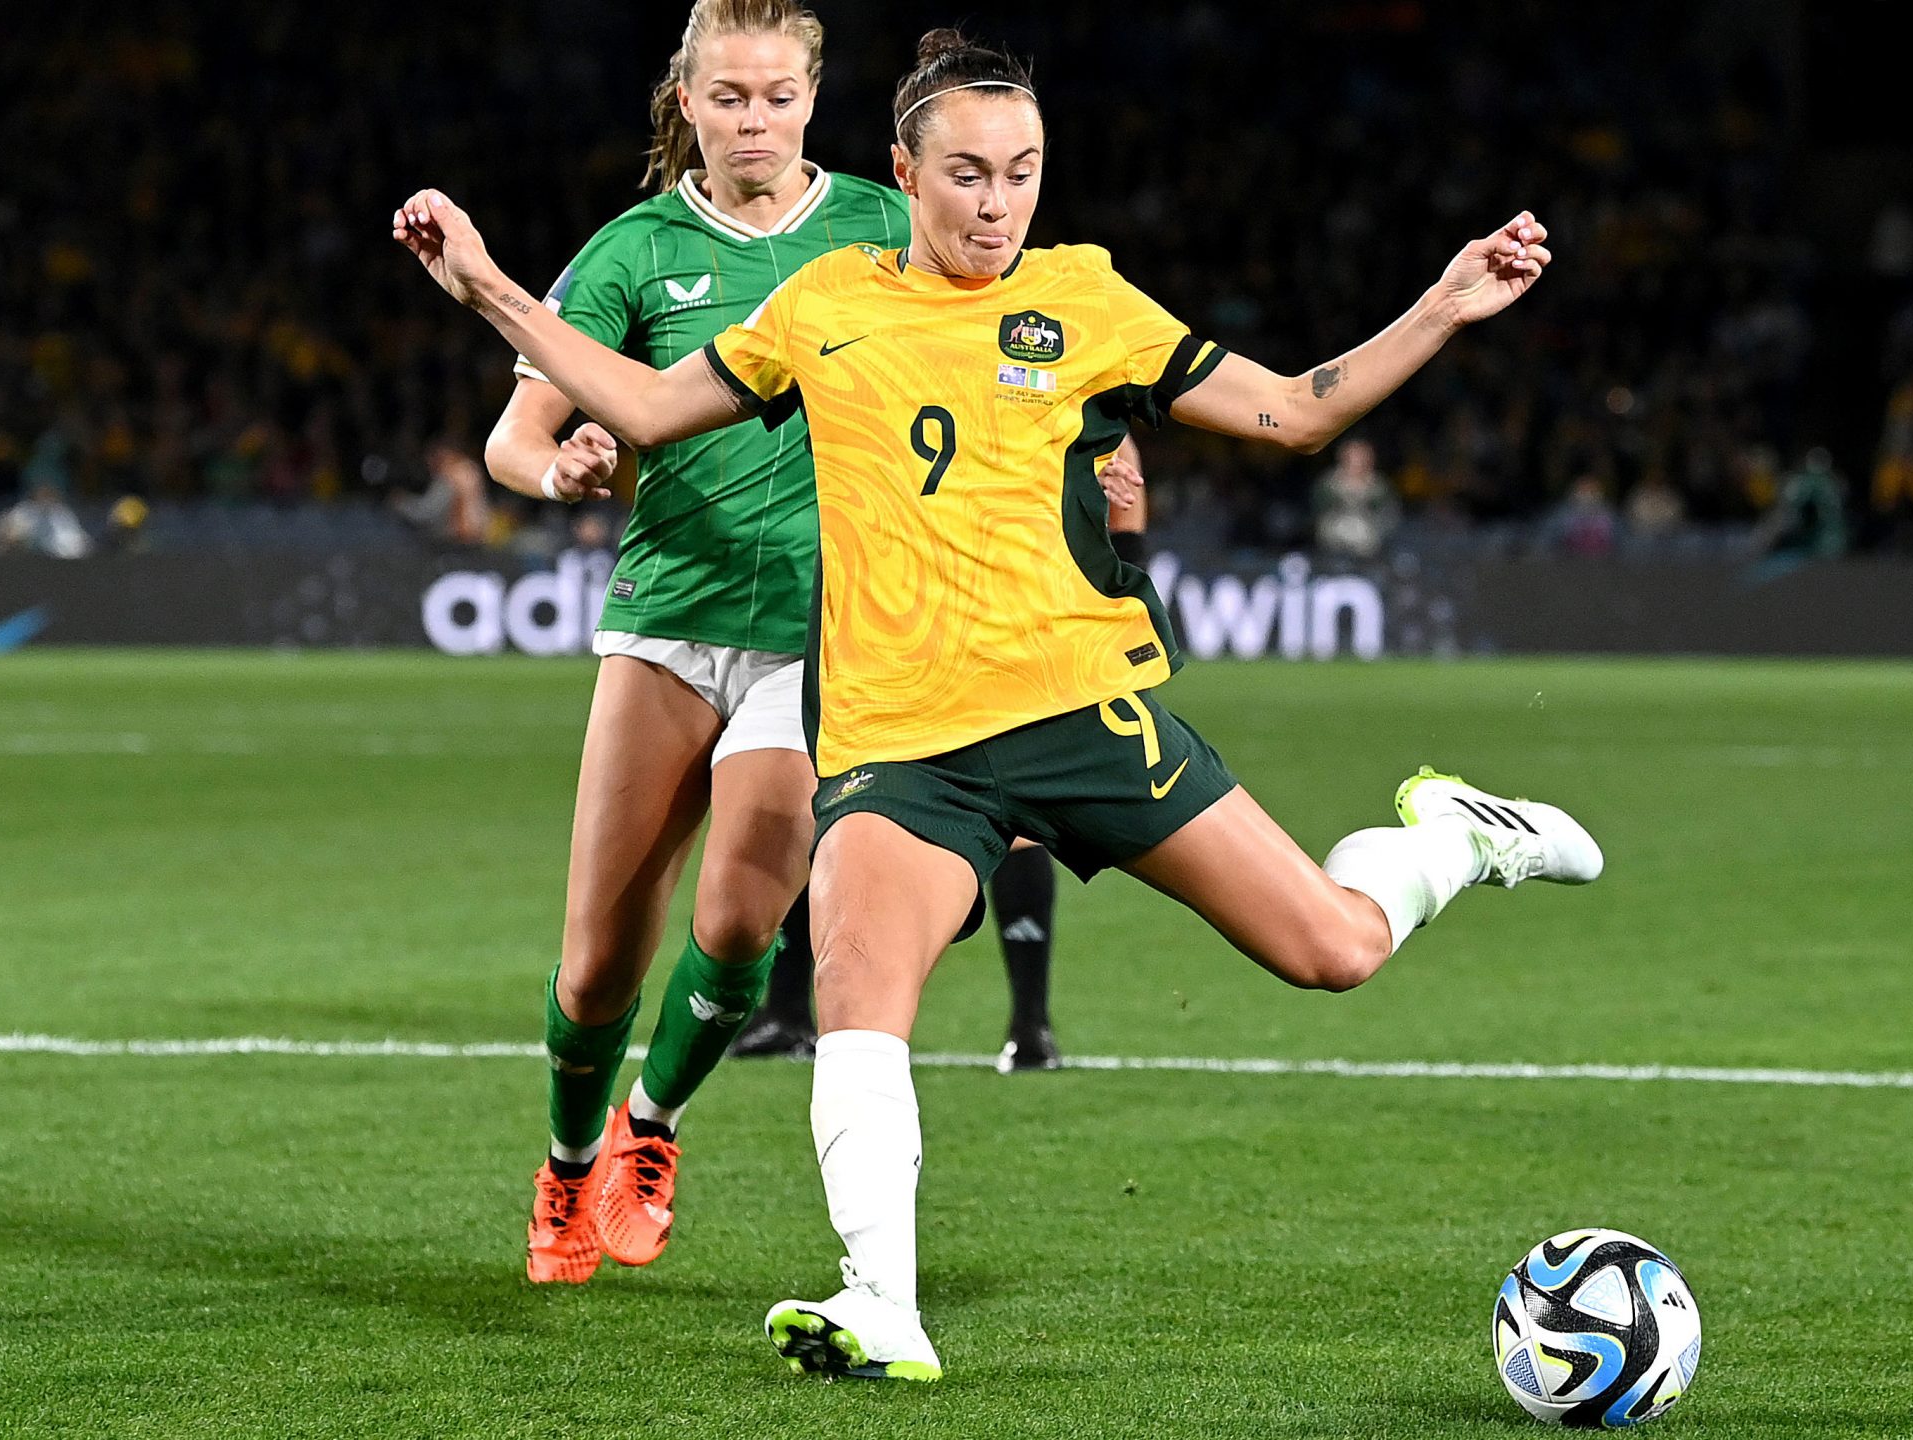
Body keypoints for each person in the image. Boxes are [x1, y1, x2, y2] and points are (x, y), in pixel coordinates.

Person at [393, 28, 1598, 1381]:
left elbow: (1291, 415)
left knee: (1332, 948)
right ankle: (880, 1306)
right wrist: (489, 286)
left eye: (1021, 174)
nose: (995, 204)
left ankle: (1456, 834)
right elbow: (644, 406)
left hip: (1082, 711)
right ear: (903, 171)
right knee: (857, 991)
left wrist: (1440, 306)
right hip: (903, 749)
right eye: (966, 174)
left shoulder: (1085, 297)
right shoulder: (826, 302)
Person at [475, 0, 914, 1287]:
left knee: (737, 918)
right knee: (600, 953)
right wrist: (559, 467)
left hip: (814, 640)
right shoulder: (633, 248)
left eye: (778, 96)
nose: (756, 121)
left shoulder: (883, 232)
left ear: (814, 100)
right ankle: (565, 1168)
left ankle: (649, 1127)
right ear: (687, 101)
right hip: (666, 622)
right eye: (730, 97)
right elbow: (512, 435)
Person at [731, 437, 1147, 1072]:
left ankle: (1029, 1023)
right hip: (899, 612)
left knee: (993, 809)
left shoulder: (1047, 370)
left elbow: (1125, 502)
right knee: (831, 794)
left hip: (994, 616)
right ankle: (789, 1009)